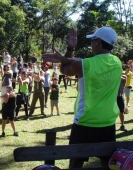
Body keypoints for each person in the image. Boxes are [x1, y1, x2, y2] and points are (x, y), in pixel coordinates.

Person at [42, 27, 122, 168]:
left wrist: (69, 49)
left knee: (75, 163)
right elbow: (76, 61)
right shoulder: (117, 62)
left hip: (86, 122)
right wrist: (65, 56)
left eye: (92, 40)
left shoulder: (85, 65)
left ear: (97, 42)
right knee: (107, 164)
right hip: (108, 121)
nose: (91, 44)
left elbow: (64, 70)